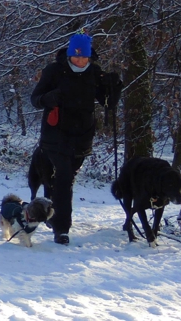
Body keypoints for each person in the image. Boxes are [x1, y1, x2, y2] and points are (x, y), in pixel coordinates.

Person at [30, 32, 121, 245]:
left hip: (82, 135)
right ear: (70, 54)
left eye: (84, 57)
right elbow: (35, 99)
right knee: (64, 178)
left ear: (90, 57)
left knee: (61, 179)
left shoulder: (94, 73)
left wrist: (114, 87)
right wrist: (48, 98)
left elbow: (108, 103)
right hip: (55, 134)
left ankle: (49, 213)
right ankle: (61, 228)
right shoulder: (54, 71)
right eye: (76, 56)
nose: (80, 60)